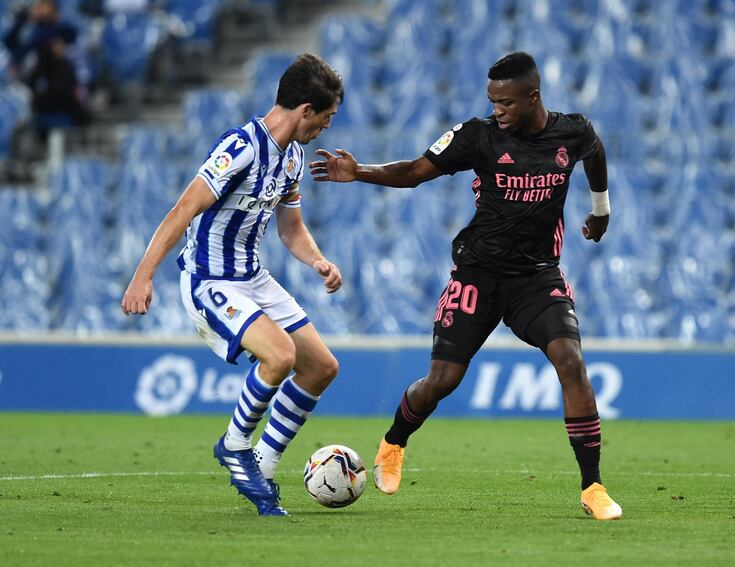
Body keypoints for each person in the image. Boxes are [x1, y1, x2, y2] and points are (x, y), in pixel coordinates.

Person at [311, 51, 622, 520]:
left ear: (532, 97)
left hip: (536, 277)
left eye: (506, 103)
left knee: (571, 362)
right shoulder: (477, 136)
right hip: (477, 274)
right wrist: (360, 173)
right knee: (443, 381)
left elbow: (595, 151)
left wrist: (601, 209)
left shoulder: (571, 132)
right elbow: (416, 172)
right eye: (493, 101)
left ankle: (593, 487)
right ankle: (394, 441)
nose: (498, 110)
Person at [122, 53, 344, 517]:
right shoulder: (240, 147)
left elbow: (291, 229)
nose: (325, 127)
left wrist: (318, 261)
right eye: (325, 118)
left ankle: (261, 465)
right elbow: (183, 208)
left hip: (253, 277)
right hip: (209, 278)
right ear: (305, 110)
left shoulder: (294, 157)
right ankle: (235, 444)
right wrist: (144, 275)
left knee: (321, 366)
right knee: (280, 355)